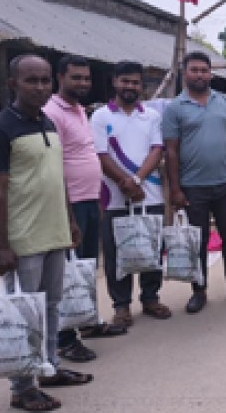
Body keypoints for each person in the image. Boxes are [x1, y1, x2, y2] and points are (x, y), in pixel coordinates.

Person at [0, 54, 91, 412]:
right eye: (31, 80)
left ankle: (48, 367)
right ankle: (22, 387)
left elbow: (57, 179)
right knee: (24, 311)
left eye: (44, 80)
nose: (40, 87)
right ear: (13, 83)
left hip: (54, 232)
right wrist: (0, 246)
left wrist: (70, 220)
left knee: (52, 307)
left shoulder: (48, 123)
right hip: (24, 239)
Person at [163, 51, 226, 313]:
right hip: (192, 187)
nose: (200, 75)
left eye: (204, 70)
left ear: (211, 74)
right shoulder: (175, 108)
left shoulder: (225, 103)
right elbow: (171, 151)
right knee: (197, 240)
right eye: (194, 70)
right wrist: (175, 189)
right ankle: (199, 291)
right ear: (185, 73)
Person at [91, 61, 172, 328]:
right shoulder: (101, 116)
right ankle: (121, 306)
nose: (130, 86)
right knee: (116, 254)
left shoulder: (151, 116)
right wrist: (124, 183)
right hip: (114, 197)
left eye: (135, 82)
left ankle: (150, 298)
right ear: (114, 82)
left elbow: (157, 150)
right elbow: (101, 155)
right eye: (125, 81)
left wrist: (136, 181)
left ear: (141, 86)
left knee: (152, 248)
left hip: (150, 194)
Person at [43, 55, 112, 363]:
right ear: (60, 77)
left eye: (86, 78)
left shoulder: (80, 110)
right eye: (76, 78)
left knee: (85, 266)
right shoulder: (51, 113)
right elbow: (53, 163)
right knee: (66, 273)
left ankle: (87, 320)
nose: (83, 83)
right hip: (70, 204)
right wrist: (68, 212)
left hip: (89, 198)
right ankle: (65, 339)